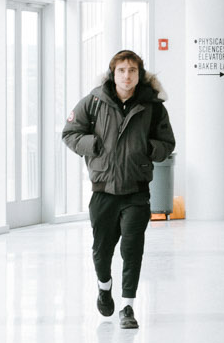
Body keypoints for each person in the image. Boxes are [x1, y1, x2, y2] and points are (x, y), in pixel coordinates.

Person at [62, 50, 176, 328]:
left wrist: (149, 149)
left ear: (140, 74)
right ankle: (104, 286)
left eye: (133, 70)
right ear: (113, 73)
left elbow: (167, 143)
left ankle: (128, 307)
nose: (127, 75)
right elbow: (70, 133)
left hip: (136, 189)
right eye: (122, 70)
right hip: (102, 189)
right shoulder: (94, 102)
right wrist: (95, 146)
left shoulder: (153, 107)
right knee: (102, 250)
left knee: (132, 248)